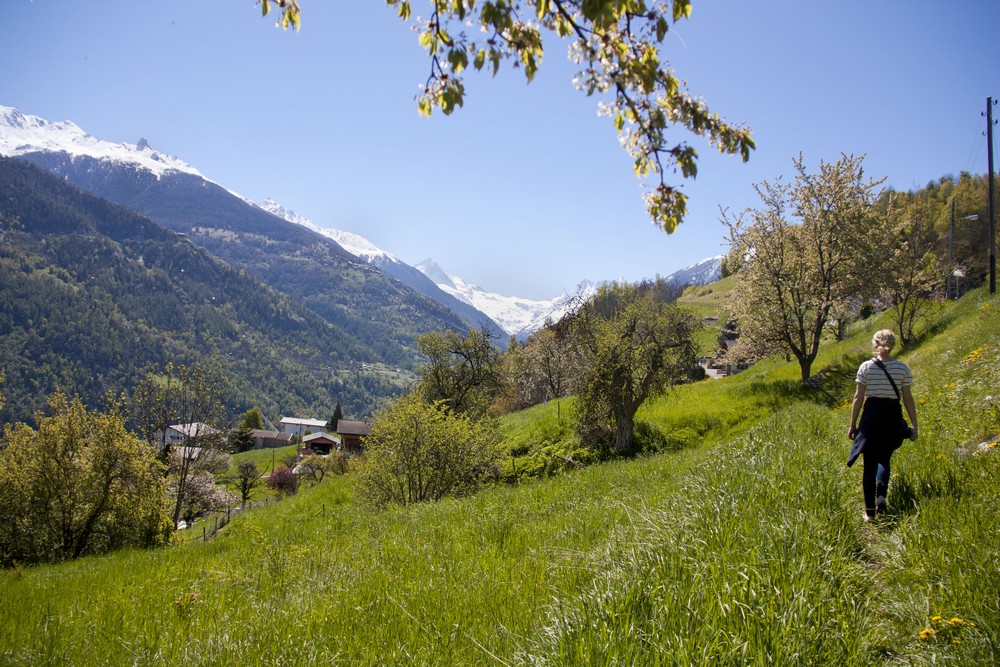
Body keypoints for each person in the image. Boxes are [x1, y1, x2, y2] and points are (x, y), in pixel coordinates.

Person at [847, 329, 919, 521]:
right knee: (884, 459)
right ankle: (881, 497)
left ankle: (869, 513)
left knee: (869, 464)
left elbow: (858, 397)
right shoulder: (902, 368)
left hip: (871, 418)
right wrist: (914, 425)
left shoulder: (865, 367)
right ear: (893, 345)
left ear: (875, 344)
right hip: (892, 417)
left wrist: (853, 424)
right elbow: (908, 399)